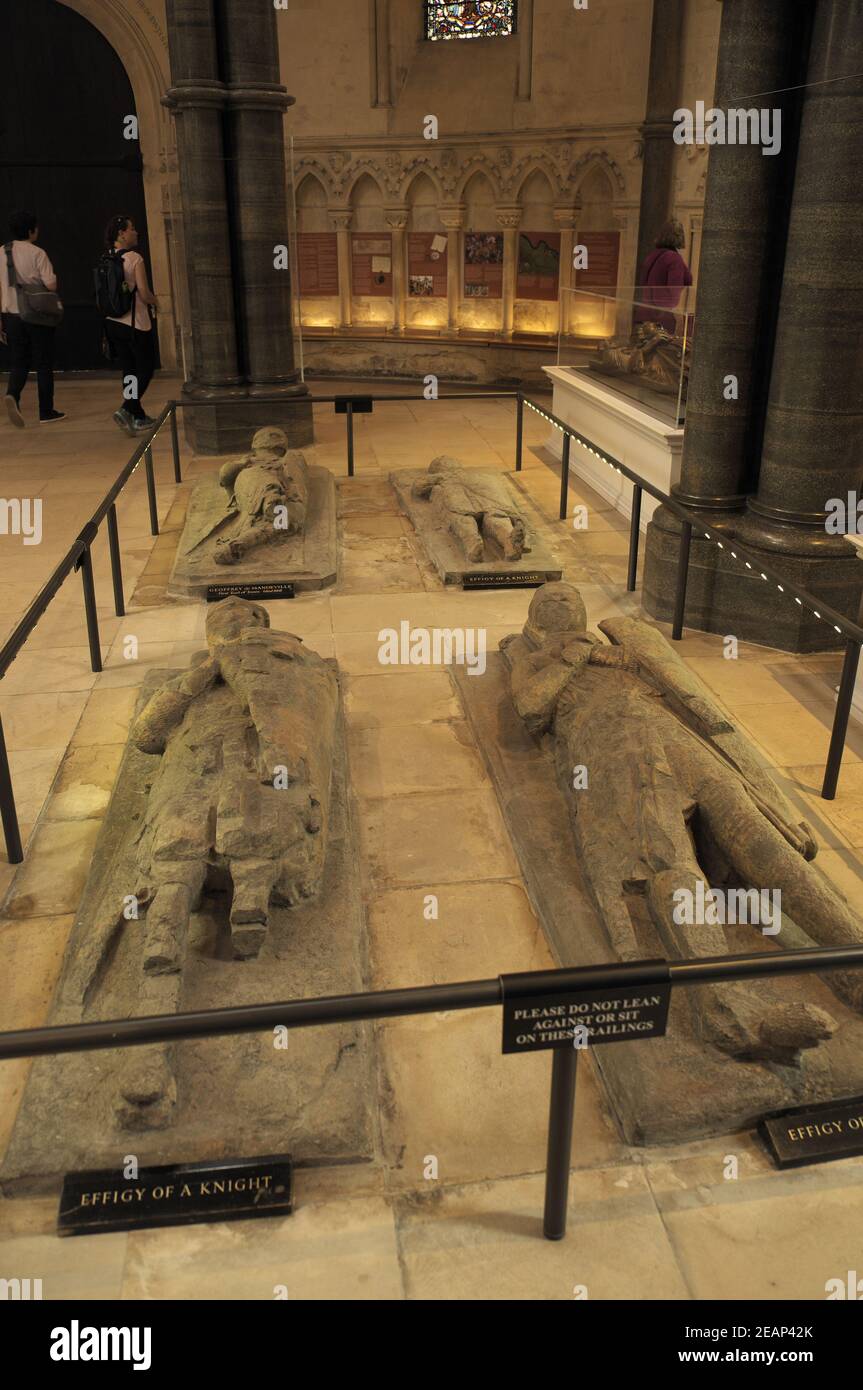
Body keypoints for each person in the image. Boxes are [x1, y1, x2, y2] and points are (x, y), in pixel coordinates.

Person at [0, 210, 65, 427]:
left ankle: (13, 394)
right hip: (36, 315)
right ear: (31, 230)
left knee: (19, 361)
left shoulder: (1, 252)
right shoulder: (37, 253)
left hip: (11, 314)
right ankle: (46, 411)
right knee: (43, 362)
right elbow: (51, 285)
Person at [102, 214, 158, 435]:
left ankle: (138, 415)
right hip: (136, 323)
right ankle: (127, 409)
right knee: (146, 368)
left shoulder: (105, 258)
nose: (135, 232)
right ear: (121, 234)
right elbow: (143, 293)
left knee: (130, 371)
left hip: (113, 323)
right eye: (132, 229)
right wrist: (157, 301)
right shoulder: (134, 258)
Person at [633, 219, 693, 333]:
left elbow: (642, 283)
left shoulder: (651, 255)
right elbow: (674, 290)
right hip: (660, 316)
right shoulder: (674, 258)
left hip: (643, 312)